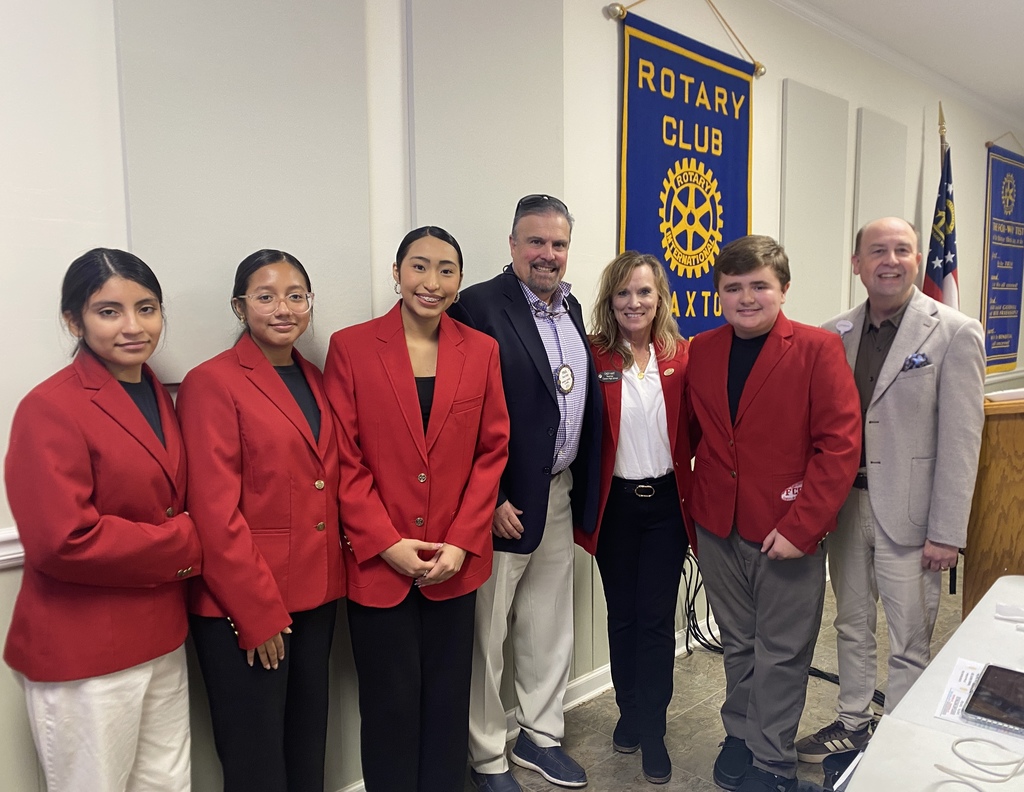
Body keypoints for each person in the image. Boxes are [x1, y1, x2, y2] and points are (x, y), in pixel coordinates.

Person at [4, 248, 202, 791]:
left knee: (167, 783)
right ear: (74, 320)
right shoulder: (50, 407)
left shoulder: (157, 391)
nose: (134, 326)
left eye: (147, 308)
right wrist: (188, 541)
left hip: (160, 634)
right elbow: (61, 540)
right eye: (109, 311)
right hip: (84, 650)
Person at [323, 226, 509, 792]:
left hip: (454, 563)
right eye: (420, 267)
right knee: (390, 705)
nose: (432, 282)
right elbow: (343, 459)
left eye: (446, 269)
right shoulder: (351, 347)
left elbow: (492, 449)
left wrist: (462, 541)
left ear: (459, 280)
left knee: (448, 699)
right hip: (382, 565)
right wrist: (386, 542)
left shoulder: (480, 350)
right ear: (398, 274)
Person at [796, 217, 985, 763]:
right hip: (846, 508)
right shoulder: (834, 334)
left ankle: (897, 740)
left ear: (917, 260)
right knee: (852, 623)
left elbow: (960, 441)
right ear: (856, 263)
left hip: (915, 516)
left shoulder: (954, 332)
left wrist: (947, 532)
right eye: (877, 250)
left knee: (909, 638)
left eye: (902, 250)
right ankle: (852, 722)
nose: (891, 260)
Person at [685, 235, 861, 792]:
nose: (746, 297)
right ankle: (740, 733)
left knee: (782, 651)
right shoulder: (702, 350)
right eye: (733, 287)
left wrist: (801, 527)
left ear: (783, 289)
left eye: (759, 285)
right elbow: (693, 437)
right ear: (718, 294)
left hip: (786, 531)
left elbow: (838, 446)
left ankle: (772, 762)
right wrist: (692, 517)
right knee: (737, 643)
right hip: (718, 526)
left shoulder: (817, 349)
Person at [449, 194, 602, 792]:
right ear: (512, 246)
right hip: (504, 504)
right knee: (487, 633)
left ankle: (541, 736)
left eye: (558, 244)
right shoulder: (478, 306)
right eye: (535, 242)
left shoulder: (572, 308)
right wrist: (485, 500)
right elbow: (457, 415)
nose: (548, 254)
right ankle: (487, 756)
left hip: (558, 491)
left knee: (547, 622)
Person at [176, 249, 345, 792]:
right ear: (239, 305)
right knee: (256, 762)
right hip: (247, 604)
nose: (283, 309)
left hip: (315, 596)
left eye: (296, 296)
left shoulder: (317, 378)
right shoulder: (212, 382)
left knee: (306, 746)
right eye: (266, 296)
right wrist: (256, 613)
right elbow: (213, 511)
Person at [576, 251, 694, 785]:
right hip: (616, 508)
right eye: (623, 293)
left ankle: (653, 728)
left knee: (654, 620)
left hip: (667, 507)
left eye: (643, 292)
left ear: (659, 299)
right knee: (621, 617)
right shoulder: (592, 355)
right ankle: (628, 710)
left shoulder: (681, 355)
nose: (633, 302)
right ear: (610, 301)